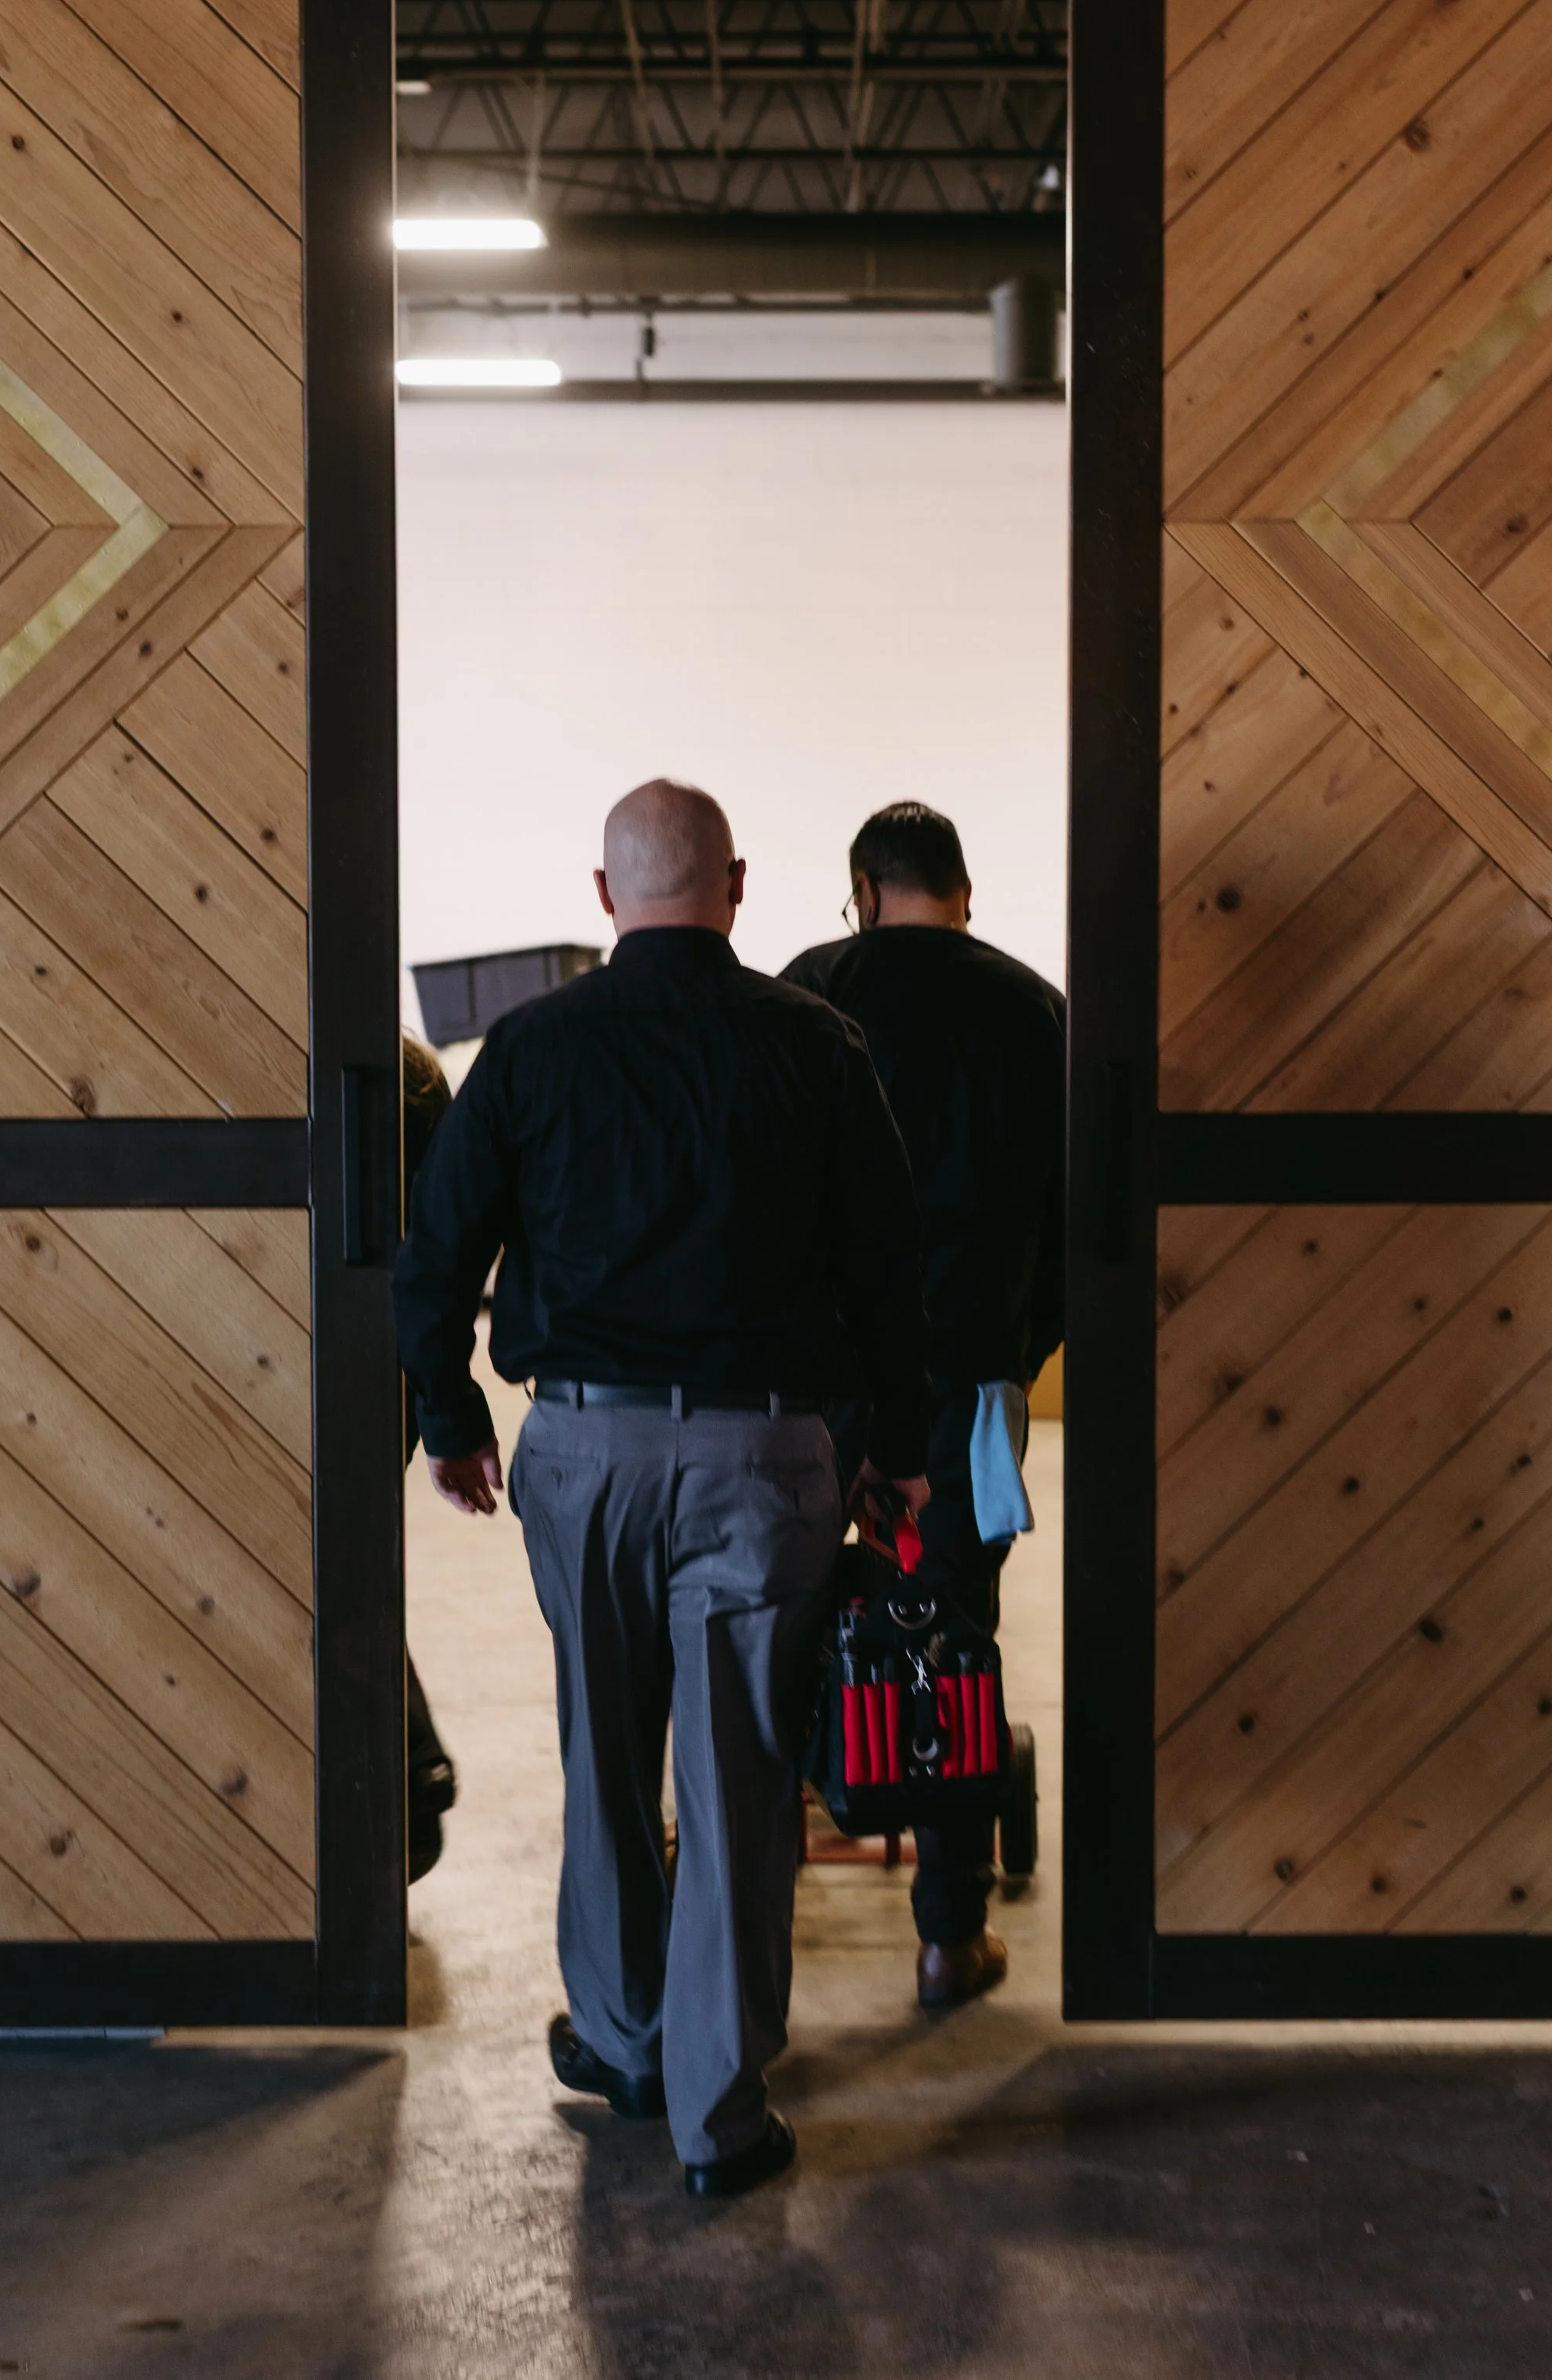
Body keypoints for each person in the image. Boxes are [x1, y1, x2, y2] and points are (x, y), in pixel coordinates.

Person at [393, 779, 928, 2198]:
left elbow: (435, 1251)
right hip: (766, 1461)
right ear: (736, 886)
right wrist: (900, 1448)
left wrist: (450, 1414)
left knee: (606, 1755)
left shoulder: (530, 1047)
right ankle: (718, 2112)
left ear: (604, 893)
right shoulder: (815, 1045)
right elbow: (891, 1268)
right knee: (740, 1782)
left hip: (587, 1452)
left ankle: (627, 2041)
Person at [785, 800, 1065, 2009]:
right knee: (952, 1637)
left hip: (823, 1381)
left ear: (863, 888)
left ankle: (764, 1900)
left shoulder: (809, 993)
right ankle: (950, 1937)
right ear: (964, 891)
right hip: (968, 1380)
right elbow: (1071, 1218)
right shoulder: (1034, 1008)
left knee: (784, 1617)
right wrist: (1017, 1348)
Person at [400, 1033, 460, 1884]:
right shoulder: (411, 1072)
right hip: (391, 1358)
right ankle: (414, 1778)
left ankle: (412, 1778)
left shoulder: (403, 1075)